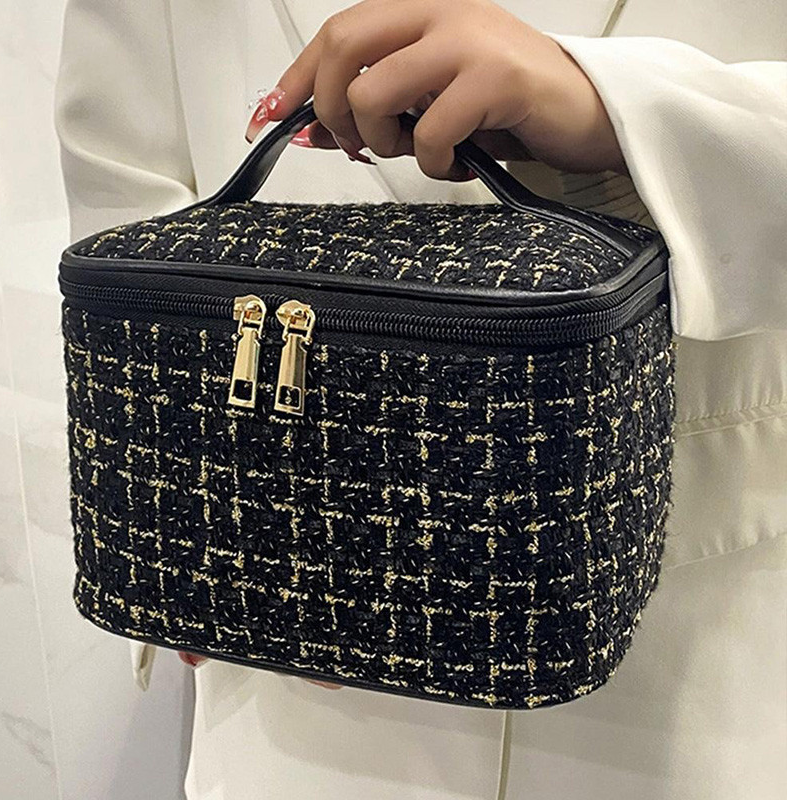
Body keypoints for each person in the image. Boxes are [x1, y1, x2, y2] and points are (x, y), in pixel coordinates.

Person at [54, 0, 787, 798]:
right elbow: (123, 194)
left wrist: (614, 105)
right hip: (280, 690)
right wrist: (179, 508)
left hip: (680, 659)